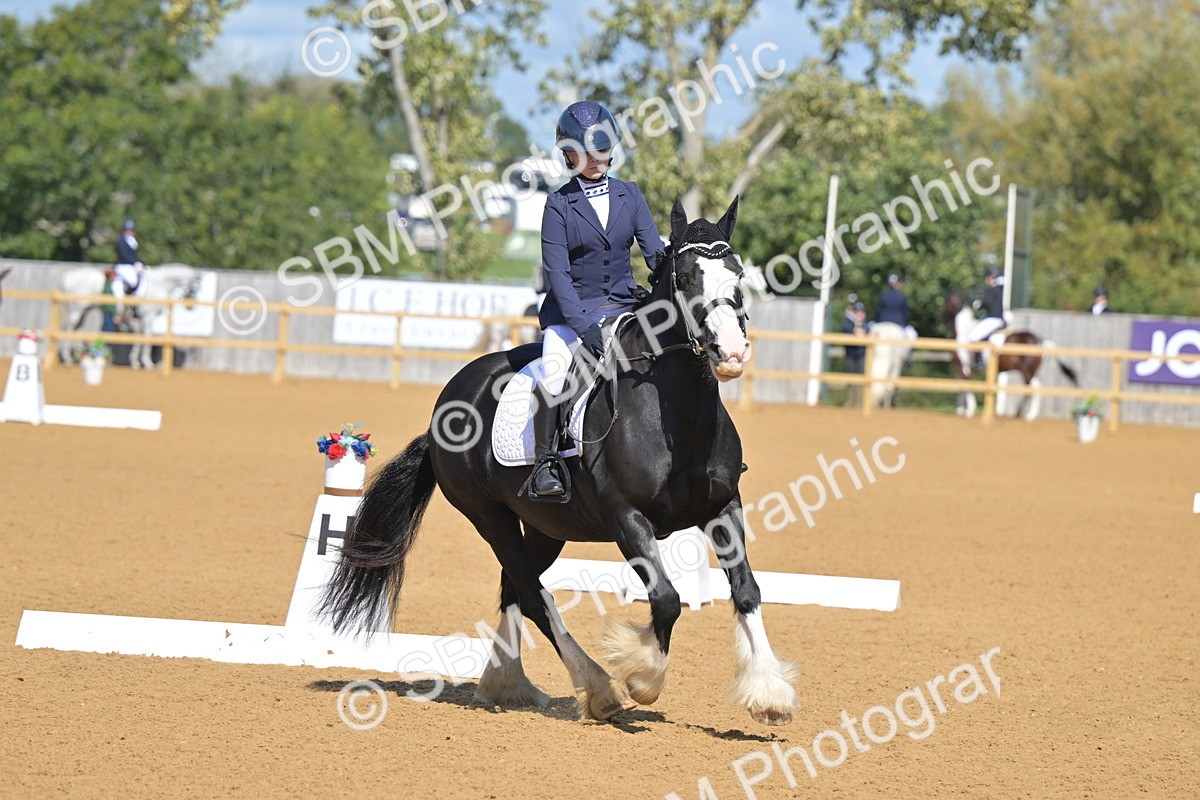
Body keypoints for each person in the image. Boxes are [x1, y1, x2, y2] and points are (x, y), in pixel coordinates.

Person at [528, 100, 663, 500]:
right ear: (569, 155)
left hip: (624, 307)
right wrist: (583, 326)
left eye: (601, 150)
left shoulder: (630, 195)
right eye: (584, 153)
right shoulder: (558, 205)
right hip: (572, 315)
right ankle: (545, 464)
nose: (595, 160)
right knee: (554, 372)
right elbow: (559, 275)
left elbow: (654, 254)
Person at [966, 267, 1007, 370]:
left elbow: (988, 303)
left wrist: (980, 305)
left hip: (993, 319)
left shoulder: (991, 289)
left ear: (990, 278)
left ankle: (978, 362)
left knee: (972, 336)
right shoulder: (999, 289)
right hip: (997, 319)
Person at [841, 300, 867, 406]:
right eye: (857, 311)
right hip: (851, 354)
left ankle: (860, 402)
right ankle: (850, 401)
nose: (859, 313)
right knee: (850, 378)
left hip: (862, 354)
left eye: (861, 311)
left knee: (862, 379)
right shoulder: (848, 322)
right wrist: (854, 331)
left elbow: (870, 331)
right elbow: (845, 329)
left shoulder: (866, 323)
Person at [113, 218, 145, 301]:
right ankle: (128, 298)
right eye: (128, 230)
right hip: (122, 266)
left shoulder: (132, 242)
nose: (130, 232)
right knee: (133, 281)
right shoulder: (121, 241)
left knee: (143, 275)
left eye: (131, 230)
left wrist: (140, 262)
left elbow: (134, 255)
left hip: (130, 266)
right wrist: (135, 263)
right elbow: (124, 255)